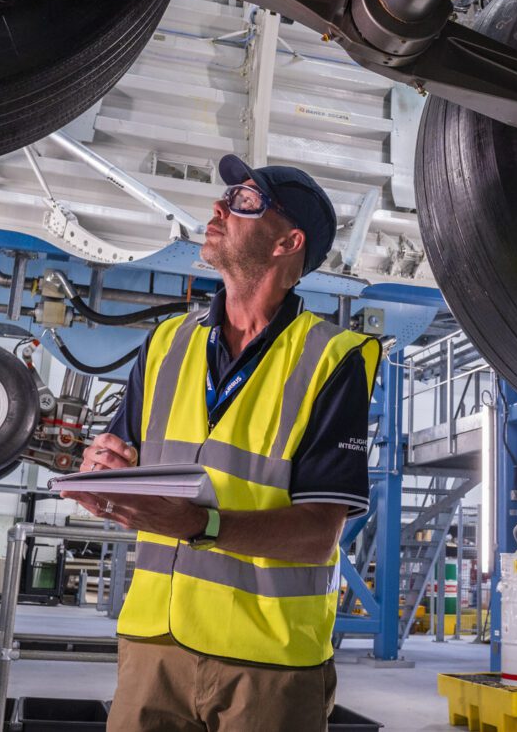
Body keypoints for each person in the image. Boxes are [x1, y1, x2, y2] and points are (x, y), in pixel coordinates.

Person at [71, 155, 378, 732]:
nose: (218, 207)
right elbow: (121, 452)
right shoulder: (168, 343)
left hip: (268, 664)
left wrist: (200, 526)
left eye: (244, 201)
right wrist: (102, 469)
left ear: (289, 242)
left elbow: (317, 535)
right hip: (153, 648)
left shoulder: (333, 360)